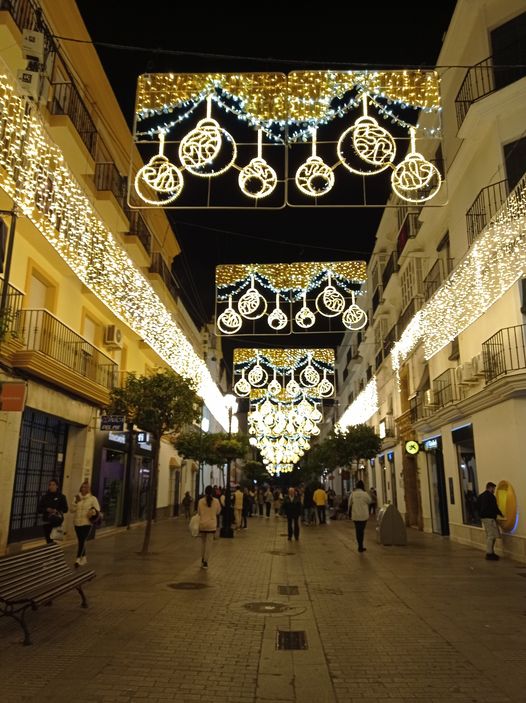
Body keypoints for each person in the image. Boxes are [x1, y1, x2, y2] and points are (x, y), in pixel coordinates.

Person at [71, 481, 100, 566]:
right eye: (83, 487)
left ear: (89, 489)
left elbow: (97, 509)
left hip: (87, 523)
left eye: (86, 487)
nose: (84, 489)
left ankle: (78, 559)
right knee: (81, 540)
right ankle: (84, 557)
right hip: (77, 522)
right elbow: (72, 510)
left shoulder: (92, 498)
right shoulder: (77, 497)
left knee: (82, 540)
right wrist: (76, 502)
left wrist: (93, 512)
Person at [477, 481, 504, 560]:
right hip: (489, 518)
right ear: (490, 488)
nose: (494, 490)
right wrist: (501, 514)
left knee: (490, 535)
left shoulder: (481, 496)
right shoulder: (490, 496)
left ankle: (491, 552)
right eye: (493, 488)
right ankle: (489, 553)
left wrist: (480, 515)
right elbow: (494, 507)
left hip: (484, 518)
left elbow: (477, 506)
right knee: (491, 536)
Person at [38, 479, 68, 544]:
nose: (51, 486)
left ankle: (54, 552)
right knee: (48, 540)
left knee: (55, 539)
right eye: (50, 485)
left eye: (53, 485)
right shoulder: (44, 497)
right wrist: (46, 509)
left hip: (56, 521)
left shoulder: (61, 497)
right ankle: (51, 552)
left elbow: (65, 509)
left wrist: (56, 510)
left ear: (57, 486)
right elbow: (39, 509)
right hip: (47, 521)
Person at [197, 485, 221, 569]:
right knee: (209, 544)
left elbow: (198, 512)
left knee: (203, 544)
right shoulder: (216, 501)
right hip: (211, 525)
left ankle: (202, 559)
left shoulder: (200, 501)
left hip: (202, 524)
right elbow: (218, 512)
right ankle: (206, 562)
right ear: (212, 492)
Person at [349, 480, 372, 552]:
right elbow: (369, 501)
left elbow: (349, 504)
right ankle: (361, 545)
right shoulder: (365, 494)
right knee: (362, 530)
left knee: (357, 530)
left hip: (355, 515)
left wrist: (348, 512)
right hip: (363, 515)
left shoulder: (353, 494)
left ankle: (360, 545)